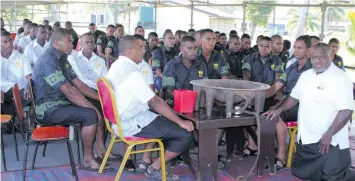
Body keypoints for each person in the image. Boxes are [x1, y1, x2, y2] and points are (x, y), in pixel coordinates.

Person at [107, 35, 194, 180]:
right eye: (140, 48)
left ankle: (152, 162)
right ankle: (155, 168)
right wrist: (181, 121)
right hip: (132, 122)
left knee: (168, 121)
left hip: (120, 120)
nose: (144, 50)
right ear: (129, 51)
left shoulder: (116, 65)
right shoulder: (132, 73)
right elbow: (155, 102)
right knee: (185, 135)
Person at [264, 43, 355, 181]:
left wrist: (329, 133)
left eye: (322, 57)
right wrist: (278, 109)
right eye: (313, 57)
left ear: (331, 56)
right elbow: (293, 98)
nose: (317, 61)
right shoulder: (306, 75)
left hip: (330, 140)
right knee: (306, 173)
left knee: (333, 176)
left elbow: (346, 110)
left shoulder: (341, 78)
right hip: (307, 136)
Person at [32, 28, 117, 172]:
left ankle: (100, 150)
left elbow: (79, 85)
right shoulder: (48, 61)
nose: (73, 44)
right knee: (90, 114)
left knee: (97, 107)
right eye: (69, 41)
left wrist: (100, 100)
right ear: (57, 42)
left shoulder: (62, 58)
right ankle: (88, 160)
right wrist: (93, 109)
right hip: (48, 109)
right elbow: (70, 92)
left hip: (60, 103)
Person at [264, 35, 312, 170]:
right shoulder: (291, 68)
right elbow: (277, 86)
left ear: (309, 50)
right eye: (295, 48)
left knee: (275, 117)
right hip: (286, 101)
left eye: (300, 48)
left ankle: (280, 157)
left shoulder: (312, 70)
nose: (296, 51)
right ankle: (265, 152)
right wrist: (260, 94)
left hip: (303, 106)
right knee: (266, 113)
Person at [242, 36, 284, 157]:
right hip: (253, 94)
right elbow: (246, 73)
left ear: (271, 47)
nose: (264, 49)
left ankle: (266, 148)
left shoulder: (277, 60)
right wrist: (248, 87)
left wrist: (275, 90)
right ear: (257, 45)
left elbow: (279, 76)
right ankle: (252, 145)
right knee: (250, 117)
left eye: (267, 46)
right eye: (262, 46)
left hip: (271, 95)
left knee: (266, 118)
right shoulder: (249, 58)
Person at [162, 36, 208, 105]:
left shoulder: (201, 65)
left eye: (195, 48)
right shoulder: (171, 65)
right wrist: (185, 100)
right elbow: (168, 91)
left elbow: (205, 86)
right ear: (181, 49)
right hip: (176, 105)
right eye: (189, 48)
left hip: (196, 104)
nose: (193, 51)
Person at [1, 30, 32, 115]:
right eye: (5, 42)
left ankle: (10, 122)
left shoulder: (22, 57)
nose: (9, 44)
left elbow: (29, 76)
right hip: (2, 91)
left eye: (10, 40)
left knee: (28, 95)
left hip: (20, 91)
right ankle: (11, 122)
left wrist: (28, 86)